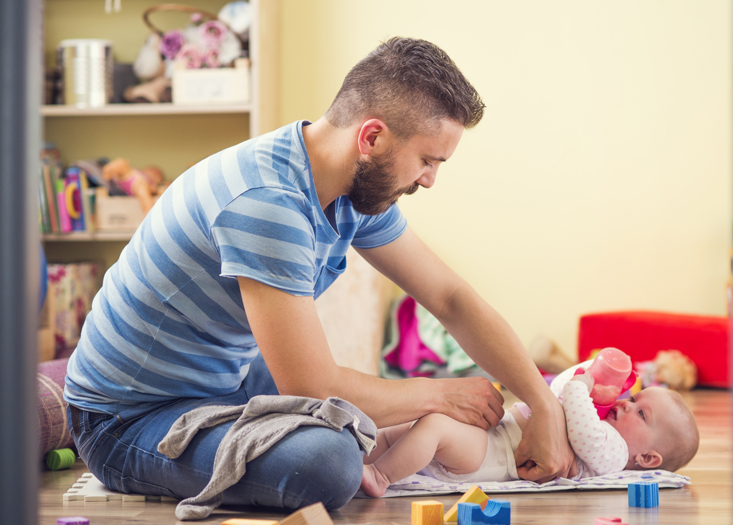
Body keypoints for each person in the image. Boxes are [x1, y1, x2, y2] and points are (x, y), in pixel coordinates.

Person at [63, 37, 576, 511]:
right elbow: (311, 382)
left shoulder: (351, 189)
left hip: (223, 381)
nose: (430, 179)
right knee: (330, 460)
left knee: (358, 418)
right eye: (426, 159)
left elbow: (450, 297)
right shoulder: (267, 202)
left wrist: (542, 403)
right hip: (126, 421)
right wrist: (440, 393)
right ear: (372, 136)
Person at [359, 369, 700, 497]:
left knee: (434, 427)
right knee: (413, 426)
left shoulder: (613, 453)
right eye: (633, 398)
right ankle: (363, 456)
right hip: (496, 436)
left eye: (641, 413)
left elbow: (582, 430)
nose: (626, 404)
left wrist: (582, 387)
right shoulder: (602, 424)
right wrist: (581, 377)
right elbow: (556, 392)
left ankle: (379, 475)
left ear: (648, 458)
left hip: (496, 457)